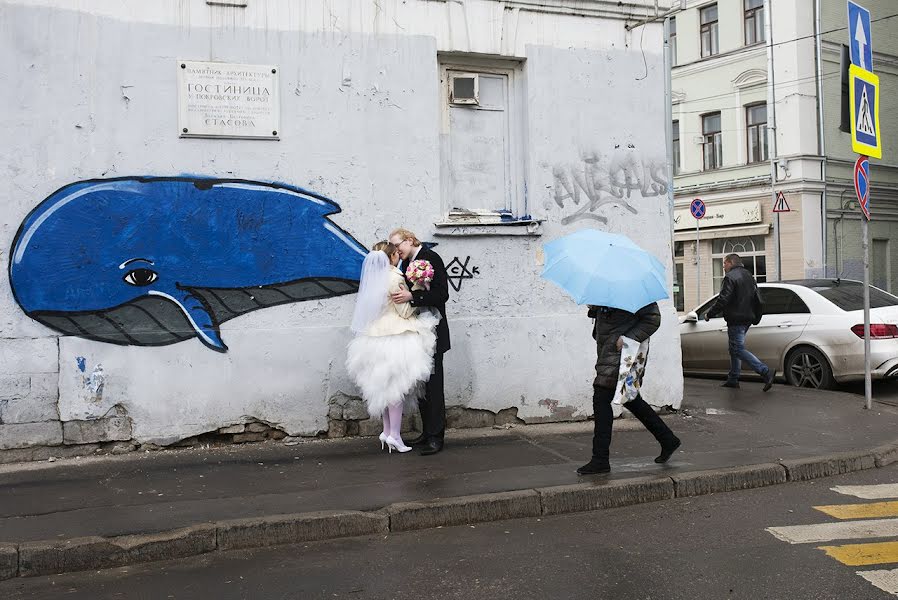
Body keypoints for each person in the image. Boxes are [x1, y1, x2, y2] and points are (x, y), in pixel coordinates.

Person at [346, 241, 439, 453]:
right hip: (396, 338)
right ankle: (395, 436)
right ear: (392, 257)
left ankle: (387, 431)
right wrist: (417, 288)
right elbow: (405, 312)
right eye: (396, 254)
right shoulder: (395, 278)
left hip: (373, 338)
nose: (399, 256)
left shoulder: (372, 279)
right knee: (395, 389)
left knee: (384, 389)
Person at [578, 302, 681, 475]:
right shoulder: (608, 293)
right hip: (608, 352)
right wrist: (595, 309)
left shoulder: (635, 293)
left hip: (623, 353)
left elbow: (652, 319)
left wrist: (630, 338)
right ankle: (668, 439)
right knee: (631, 399)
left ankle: (600, 459)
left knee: (601, 398)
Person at [388, 228, 450, 456]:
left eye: (398, 245)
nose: (396, 250)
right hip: (417, 332)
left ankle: (436, 437)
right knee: (422, 386)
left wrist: (413, 297)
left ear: (410, 240)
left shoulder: (431, 259)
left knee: (434, 385)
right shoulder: (407, 263)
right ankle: (426, 433)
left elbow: (442, 294)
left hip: (433, 332)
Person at [704, 253, 773, 391]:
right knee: (733, 349)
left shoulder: (730, 277)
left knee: (737, 349)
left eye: (724, 263)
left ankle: (765, 371)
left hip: (736, 318)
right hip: (748, 317)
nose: (723, 266)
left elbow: (723, 299)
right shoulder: (748, 275)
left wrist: (709, 313)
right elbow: (756, 297)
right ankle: (733, 379)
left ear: (730, 262)